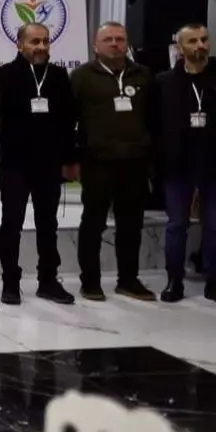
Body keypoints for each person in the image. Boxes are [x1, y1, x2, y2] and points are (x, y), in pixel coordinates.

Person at [0, 23, 77, 306]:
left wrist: (70, 159)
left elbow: (68, 121)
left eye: (45, 41)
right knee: (11, 223)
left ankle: (48, 280)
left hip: (49, 163)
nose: (41, 47)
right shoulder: (3, 75)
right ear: (19, 44)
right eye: (34, 41)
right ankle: (10, 282)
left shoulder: (59, 76)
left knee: (48, 224)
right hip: (15, 162)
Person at [71, 22, 157, 302]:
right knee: (93, 223)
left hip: (135, 162)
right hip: (97, 162)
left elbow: (154, 119)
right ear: (95, 46)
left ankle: (128, 280)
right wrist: (71, 158)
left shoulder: (143, 75)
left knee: (131, 225)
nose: (115, 44)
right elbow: (69, 121)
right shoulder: (81, 77)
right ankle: (90, 282)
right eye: (108, 39)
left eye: (120, 39)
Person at [152, 23, 216, 303]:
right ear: (179, 47)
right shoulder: (164, 82)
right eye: (193, 41)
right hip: (177, 165)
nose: (200, 45)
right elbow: (154, 125)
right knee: (177, 225)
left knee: (214, 225)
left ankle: (213, 279)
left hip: (213, 164)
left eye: (204, 39)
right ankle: (174, 280)